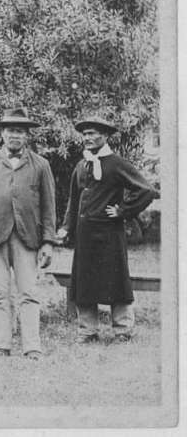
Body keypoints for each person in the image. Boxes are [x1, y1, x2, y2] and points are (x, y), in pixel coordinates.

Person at [0, 108, 58, 359]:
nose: (14, 135)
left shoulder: (41, 165)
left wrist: (48, 241)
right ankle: (1, 345)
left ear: (27, 135)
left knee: (28, 292)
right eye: (9, 130)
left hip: (27, 236)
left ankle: (32, 346)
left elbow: (49, 207)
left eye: (19, 131)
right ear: (2, 134)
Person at [59, 116, 157, 344]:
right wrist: (66, 228)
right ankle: (87, 331)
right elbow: (74, 201)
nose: (88, 138)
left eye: (93, 133)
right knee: (84, 281)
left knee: (116, 280)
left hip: (110, 234)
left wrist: (123, 210)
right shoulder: (81, 165)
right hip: (85, 235)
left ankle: (123, 330)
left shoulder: (116, 163)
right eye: (85, 134)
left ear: (105, 136)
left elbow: (147, 190)